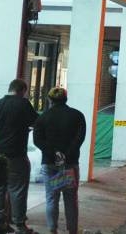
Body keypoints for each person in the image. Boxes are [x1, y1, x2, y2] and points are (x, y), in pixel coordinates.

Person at [0, 78, 39, 234]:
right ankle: (20, 225)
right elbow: (36, 122)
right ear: (22, 90)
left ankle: (0, 223)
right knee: (18, 189)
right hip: (16, 154)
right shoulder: (23, 104)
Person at [33, 87, 86, 234]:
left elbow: (37, 140)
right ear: (66, 99)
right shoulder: (77, 115)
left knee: (51, 198)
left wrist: (54, 153)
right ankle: (72, 230)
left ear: (49, 100)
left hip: (50, 163)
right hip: (69, 164)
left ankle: (52, 229)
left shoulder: (43, 117)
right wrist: (66, 154)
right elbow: (79, 138)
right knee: (71, 199)